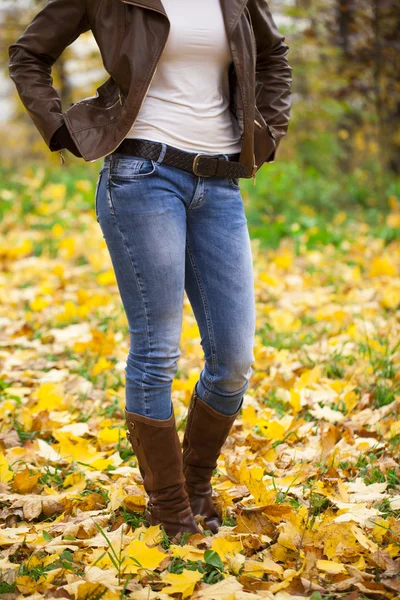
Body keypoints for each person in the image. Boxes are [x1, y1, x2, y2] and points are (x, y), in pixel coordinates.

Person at [9, 0, 292, 542]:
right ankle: (171, 509)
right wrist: (61, 128)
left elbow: (274, 54)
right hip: (141, 174)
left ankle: (192, 484)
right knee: (157, 348)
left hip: (220, 182)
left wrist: (269, 129)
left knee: (234, 359)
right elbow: (29, 54)